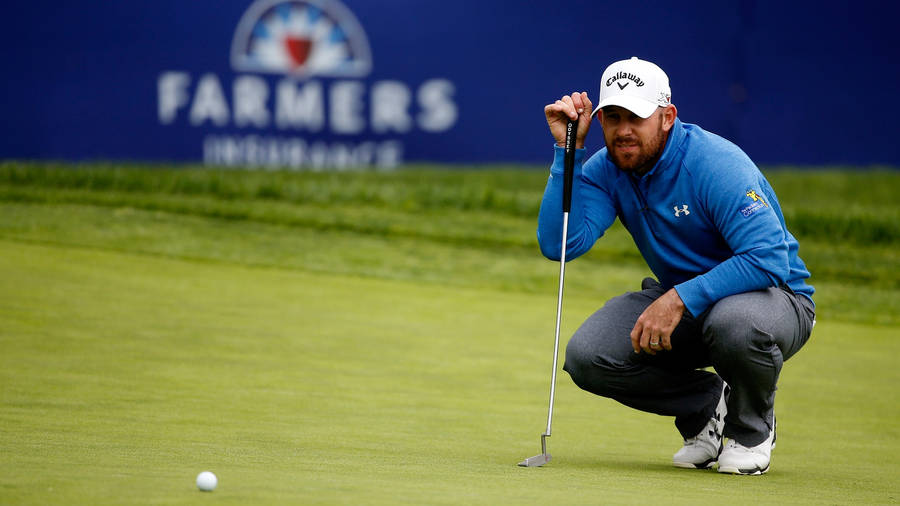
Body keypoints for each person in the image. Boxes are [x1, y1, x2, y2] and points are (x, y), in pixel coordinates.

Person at [538, 57, 815, 475]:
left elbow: (767, 259)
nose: (623, 130)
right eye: (612, 118)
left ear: (667, 117)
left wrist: (680, 297)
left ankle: (751, 431)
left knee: (734, 323)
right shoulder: (608, 168)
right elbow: (561, 245)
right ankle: (706, 406)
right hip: (686, 305)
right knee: (588, 355)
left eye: (636, 117)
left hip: (774, 300)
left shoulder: (715, 163)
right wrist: (567, 153)